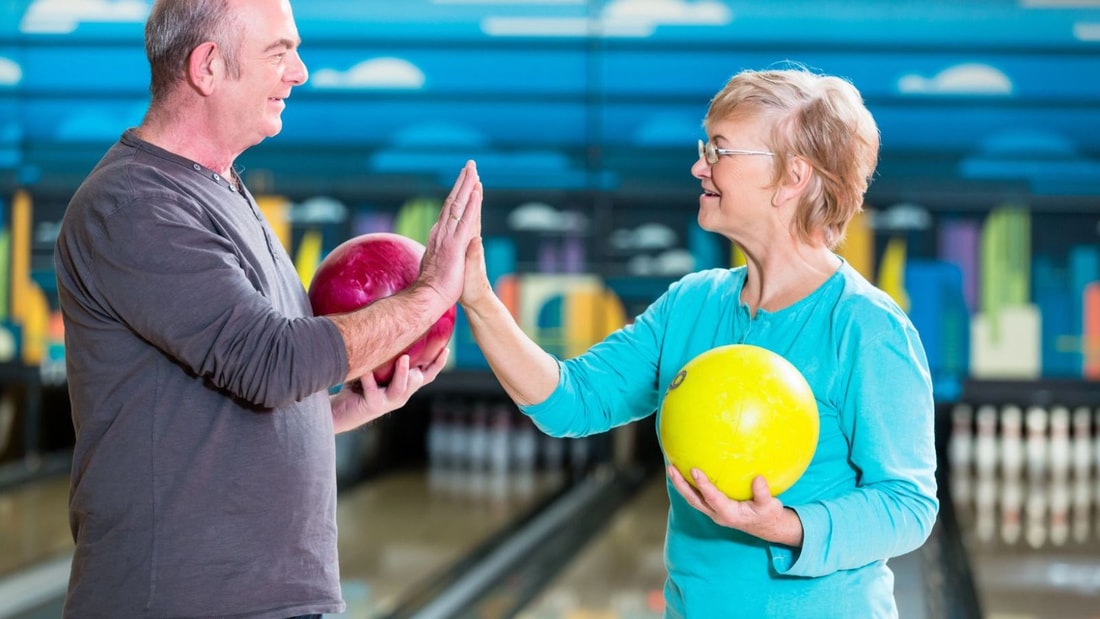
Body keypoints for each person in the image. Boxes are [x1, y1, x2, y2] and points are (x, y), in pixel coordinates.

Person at [52, 0, 481, 616]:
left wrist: (338, 410)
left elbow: (225, 407)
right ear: (207, 67)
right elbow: (270, 363)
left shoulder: (223, 191)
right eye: (280, 52)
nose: (300, 72)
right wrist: (432, 293)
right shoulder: (134, 206)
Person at [459, 66, 938, 618]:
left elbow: (908, 504)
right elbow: (572, 402)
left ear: (792, 177)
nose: (698, 166)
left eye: (719, 150)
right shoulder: (691, 305)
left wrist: (784, 526)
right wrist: (477, 298)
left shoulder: (865, 327)